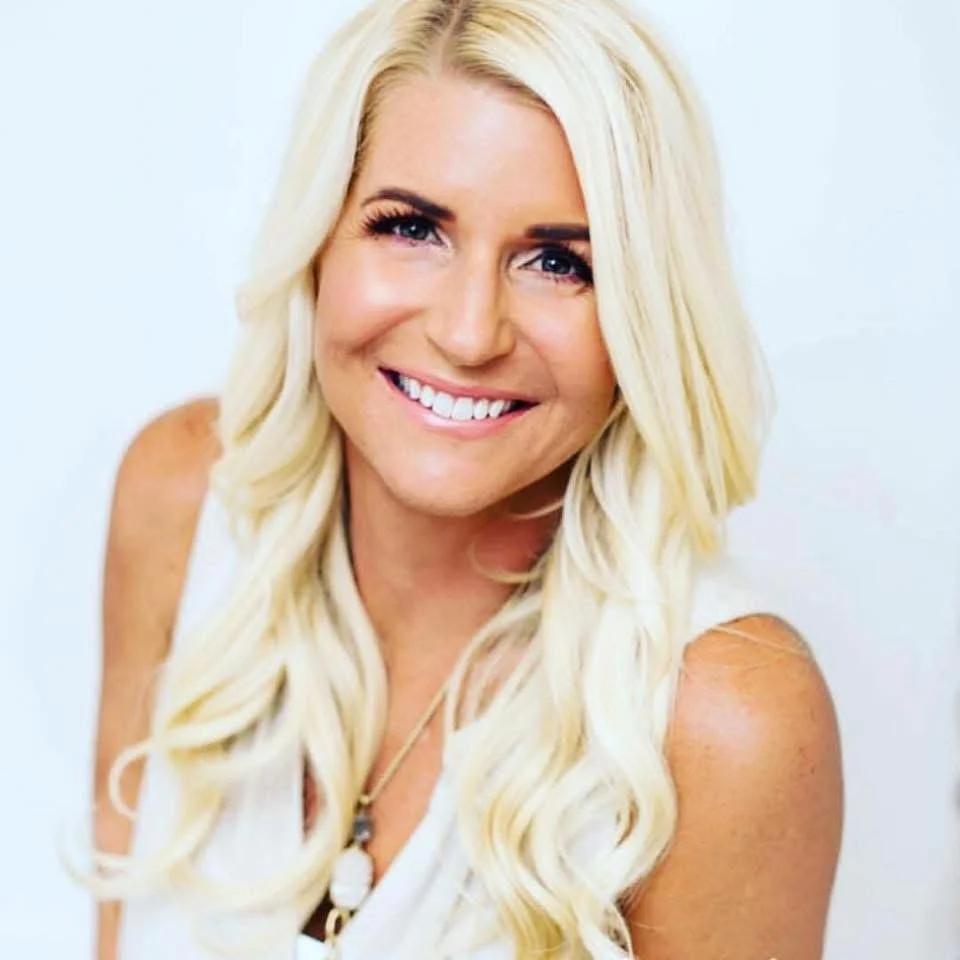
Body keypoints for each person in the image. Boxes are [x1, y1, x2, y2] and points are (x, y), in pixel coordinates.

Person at [88, 0, 843, 957]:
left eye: (559, 261)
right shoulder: (184, 499)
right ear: (317, 243)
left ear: (645, 312)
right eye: (412, 228)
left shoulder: (726, 718)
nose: (468, 331)